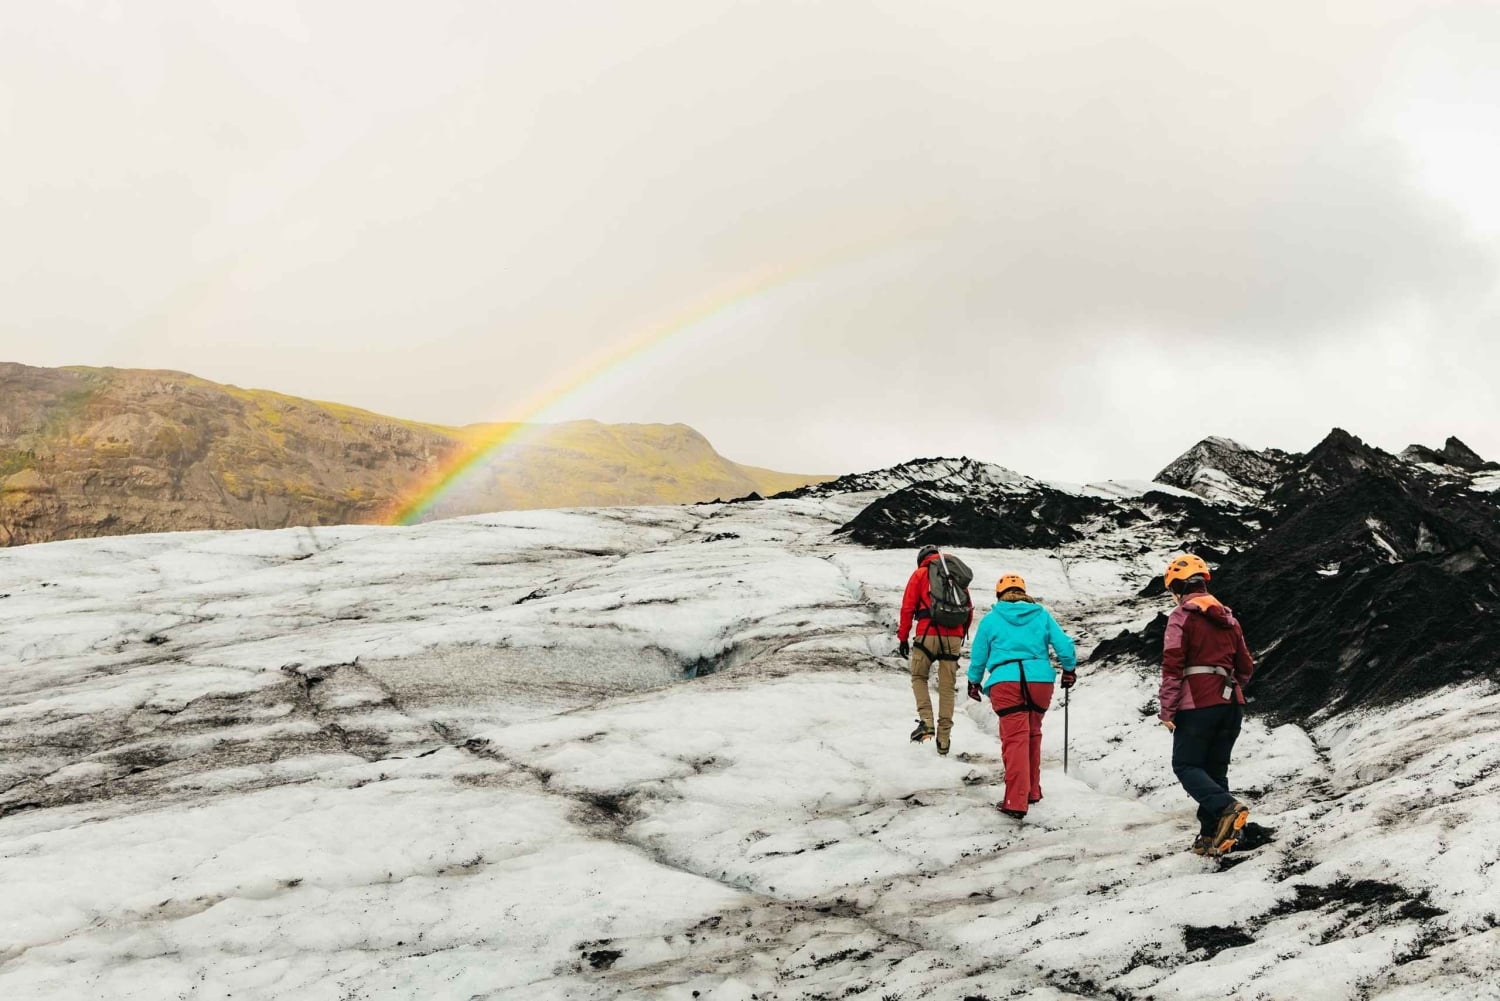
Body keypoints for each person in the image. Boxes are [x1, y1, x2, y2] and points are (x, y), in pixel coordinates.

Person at [1158, 553, 1256, 857]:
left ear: (1177, 588)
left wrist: (1167, 709)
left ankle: (1227, 809)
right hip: (1231, 704)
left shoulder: (1181, 617)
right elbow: (1246, 666)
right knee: (1215, 770)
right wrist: (1228, 686)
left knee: (1186, 765)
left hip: (1197, 704)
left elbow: (1172, 664)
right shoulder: (1229, 617)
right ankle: (1212, 836)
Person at [966, 574, 1077, 819]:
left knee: (1015, 739)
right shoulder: (1041, 615)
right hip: (1039, 681)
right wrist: (1069, 670)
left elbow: (979, 657)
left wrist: (973, 682)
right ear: (1024, 592)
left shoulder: (991, 620)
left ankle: (1015, 801)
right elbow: (1065, 646)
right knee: (1032, 734)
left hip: (1005, 682)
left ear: (999, 595)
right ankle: (1032, 791)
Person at [898, 544, 972, 756]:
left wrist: (903, 638)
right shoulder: (954, 574)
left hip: (927, 633)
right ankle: (944, 739)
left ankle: (927, 721)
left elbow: (907, 608)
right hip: (953, 636)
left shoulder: (920, 574)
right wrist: (960, 633)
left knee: (919, 677)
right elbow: (968, 607)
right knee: (947, 688)